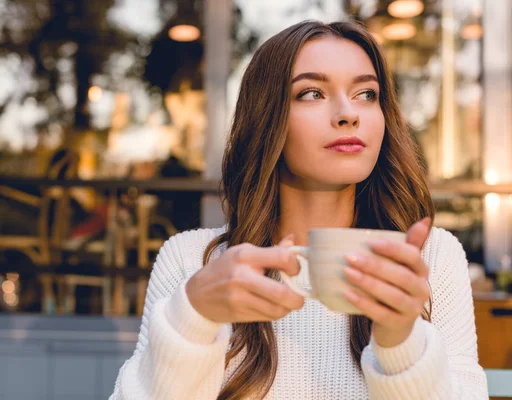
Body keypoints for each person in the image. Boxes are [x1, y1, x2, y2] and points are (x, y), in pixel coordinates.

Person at [109, 20, 488, 399]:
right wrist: (192, 318)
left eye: (367, 94)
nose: (348, 114)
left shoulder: (430, 258)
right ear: (267, 117)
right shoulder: (192, 260)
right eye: (311, 93)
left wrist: (400, 343)